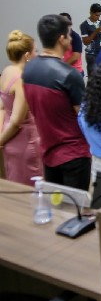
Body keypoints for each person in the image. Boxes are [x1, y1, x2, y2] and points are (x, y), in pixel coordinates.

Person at [23, 14, 91, 190]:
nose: (71, 38)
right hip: (74, 154)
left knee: (55, 202)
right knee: (74, 204)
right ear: (61, 39)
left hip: (48, 151)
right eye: (69, 35)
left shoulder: (28, 69)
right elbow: (85, 117)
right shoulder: (69, 75)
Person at [0, 30, 43, 185]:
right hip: (25, 141)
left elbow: (2, 107)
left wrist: (2, 137)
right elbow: (16, 121)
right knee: (30, 189)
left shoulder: (6, 72)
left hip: (8, 139)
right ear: (27, 55)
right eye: (35, 51)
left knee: (13, 184)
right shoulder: (22, 79)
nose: (37, 54)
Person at [79, 2, 101, 75]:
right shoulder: (84, 25)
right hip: (92, 54)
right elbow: (86, 42)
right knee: (93, 76)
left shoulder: (100, 22)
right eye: (96, 15)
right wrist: (96, 31)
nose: (98, 17)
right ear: (91, 13)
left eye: (99, 15)